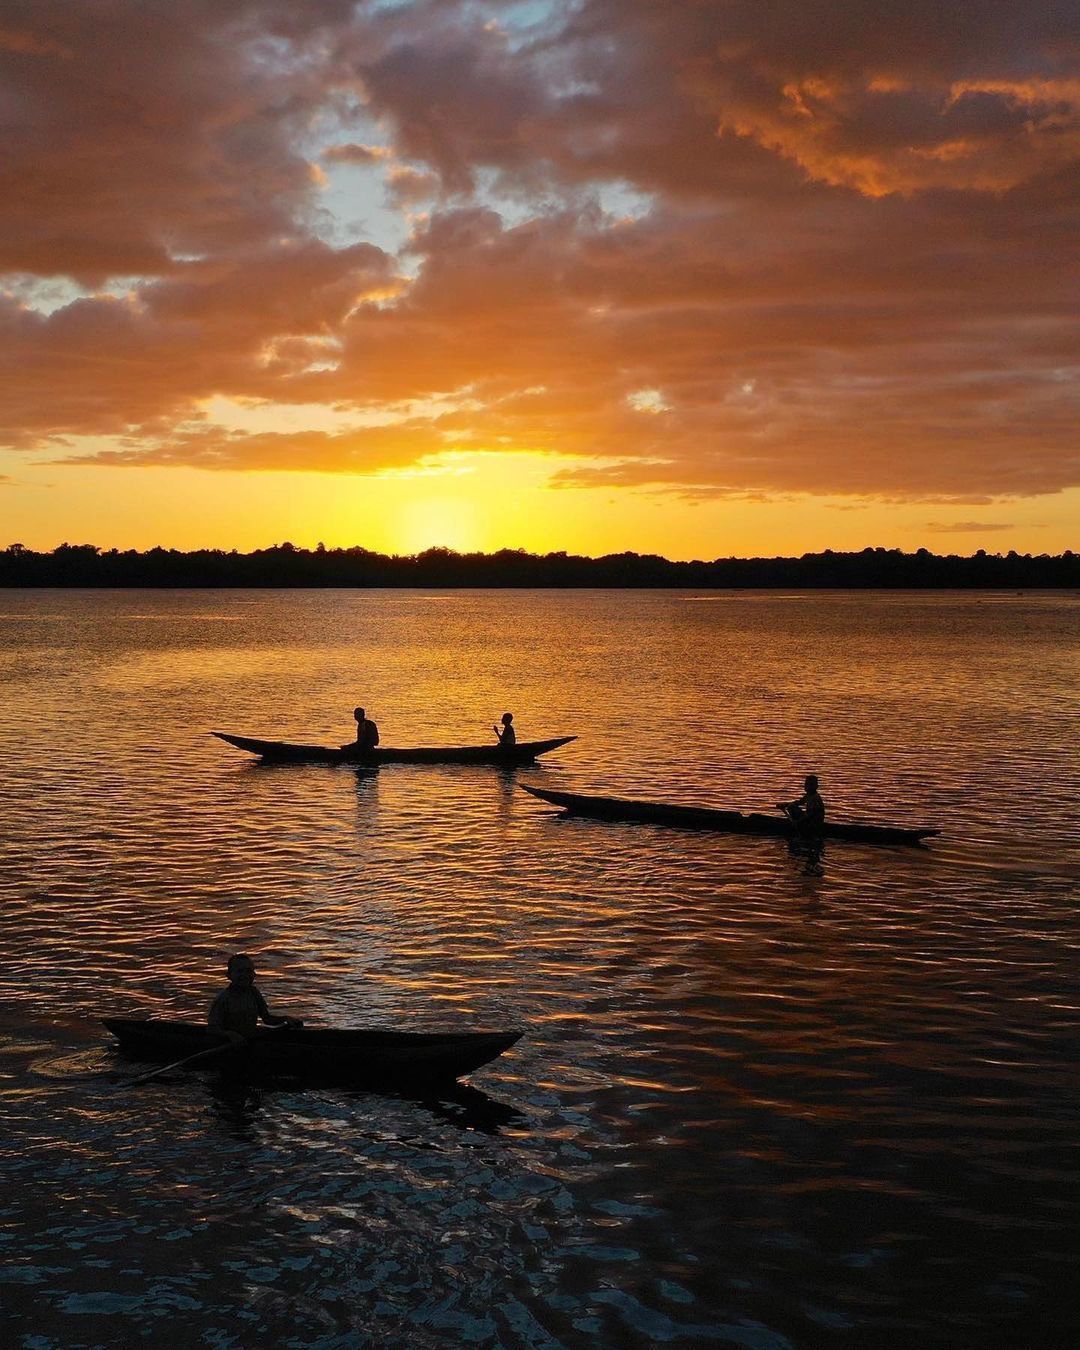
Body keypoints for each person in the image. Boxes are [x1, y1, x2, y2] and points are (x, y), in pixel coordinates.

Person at [207, 954, 302, 1047]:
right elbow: (211, 1029)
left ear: (254, 974)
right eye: (240, 971)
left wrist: (286, 1019)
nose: (244, 975)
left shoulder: (254, 993)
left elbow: (267, 1019)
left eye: (248, 971)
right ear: (229, 975)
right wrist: (230, 1034)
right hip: (227, 1045)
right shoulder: (223, 998)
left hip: (249, 1042)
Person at [778, 774, 825, 875]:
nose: (807, 786)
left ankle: (799, 829)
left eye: (811, 785)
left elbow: (810, 815)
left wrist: (797, 822)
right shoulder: (809, 795)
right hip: (809, 821)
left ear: (816, 786)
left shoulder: (815, 798)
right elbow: (799, 802)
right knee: (791, 806)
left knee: (793, 851)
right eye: (806, 784)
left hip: (814, 825)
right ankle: (797, 827)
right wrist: (785, 804)